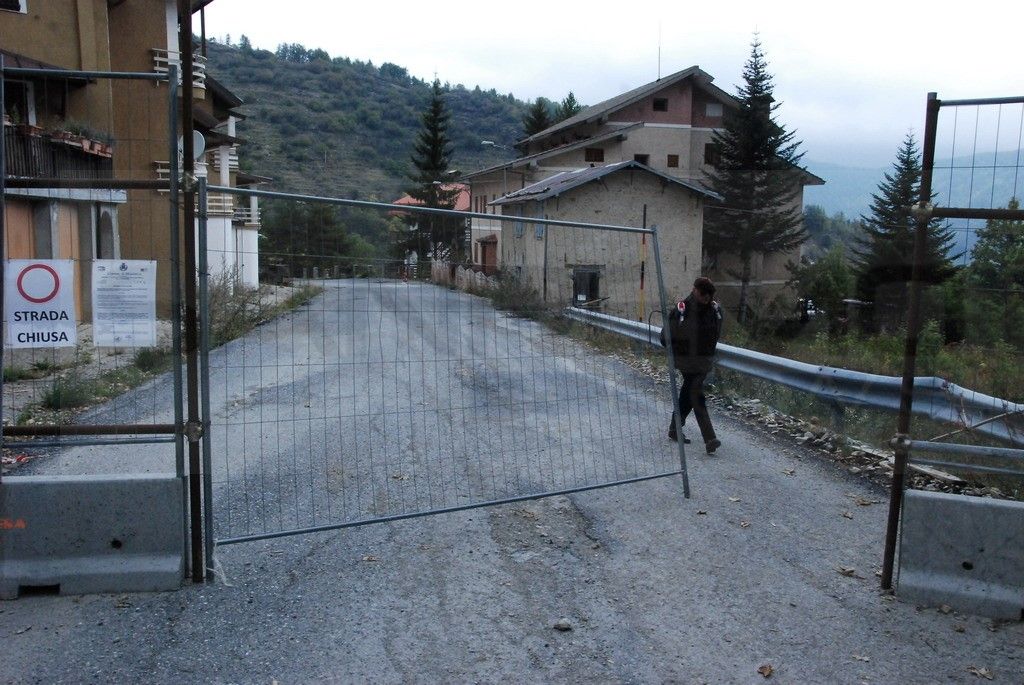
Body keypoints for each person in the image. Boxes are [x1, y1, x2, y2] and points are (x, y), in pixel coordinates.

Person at [661, 277, 723, 454]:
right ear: (695, 290)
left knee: (687, 395)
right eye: (703, 293)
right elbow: (664, 337)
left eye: (710, 294)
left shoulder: (714, 310)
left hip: (703, 362)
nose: (707, 297)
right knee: (696, 394)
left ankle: (674, 428)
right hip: (687, 363)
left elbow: (716, 333)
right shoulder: (682, 309)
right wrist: (680, 347)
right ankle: (709, 438)